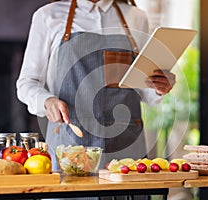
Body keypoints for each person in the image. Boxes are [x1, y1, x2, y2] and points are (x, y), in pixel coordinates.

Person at [16, 0, 175, 171]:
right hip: (70, 147)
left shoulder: (136, 17)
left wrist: (159, 87)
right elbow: (27, 83)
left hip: (126, 149)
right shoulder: (48, 16)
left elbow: (143, 91)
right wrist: (47, 101)